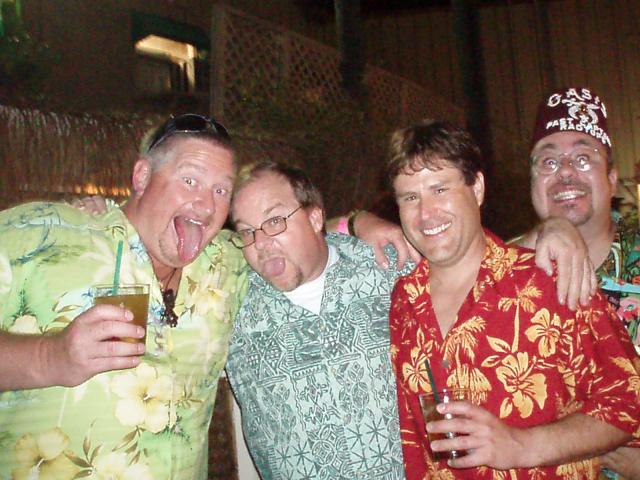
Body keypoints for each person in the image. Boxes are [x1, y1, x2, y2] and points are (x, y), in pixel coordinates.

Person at [0, 114, 249, 479]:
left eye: (221, 190)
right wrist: (50, 356)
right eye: (190, 180)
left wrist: (341, 223)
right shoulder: (43, 234)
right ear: (142, 176)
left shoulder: (230, 263)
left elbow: (300, 239)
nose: (207, 205)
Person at [387, 120, 640, 479]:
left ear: (476, 188)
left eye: (440, 189)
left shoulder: (551, 279)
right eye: (410, 197)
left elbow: (628, 400)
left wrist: (521, 445)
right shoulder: (402, 300)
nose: (425, 213)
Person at [224, 160, 410, 479]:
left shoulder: (389, 269)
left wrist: (356, 220)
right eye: (247, 231)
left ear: (314, 218)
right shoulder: (228, 304)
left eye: (274, 221)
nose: (261, 244)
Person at [514, 86, 640, 479]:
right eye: (548, 161)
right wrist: (357, 221)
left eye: (584, 158)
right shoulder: (503, 271)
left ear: (612, 178)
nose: (566, 171)